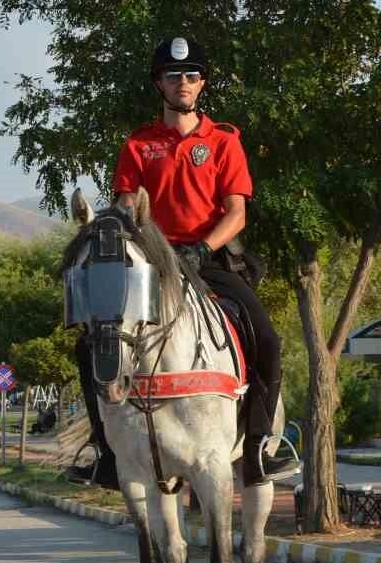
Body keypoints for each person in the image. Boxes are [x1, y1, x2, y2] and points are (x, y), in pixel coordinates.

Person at [65, 35, 286, 491]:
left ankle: (260, 447)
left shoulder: (223, 141)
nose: (182, 82)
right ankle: (105, 451)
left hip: (210, 260)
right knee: (89, 346)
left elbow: (236, 214)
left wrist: (201, 249)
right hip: (151, 266)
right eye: (172, 75)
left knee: (267, 340)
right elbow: (127, 207)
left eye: (191, 75)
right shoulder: (139, 144)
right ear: (159, 84)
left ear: (201, 83)